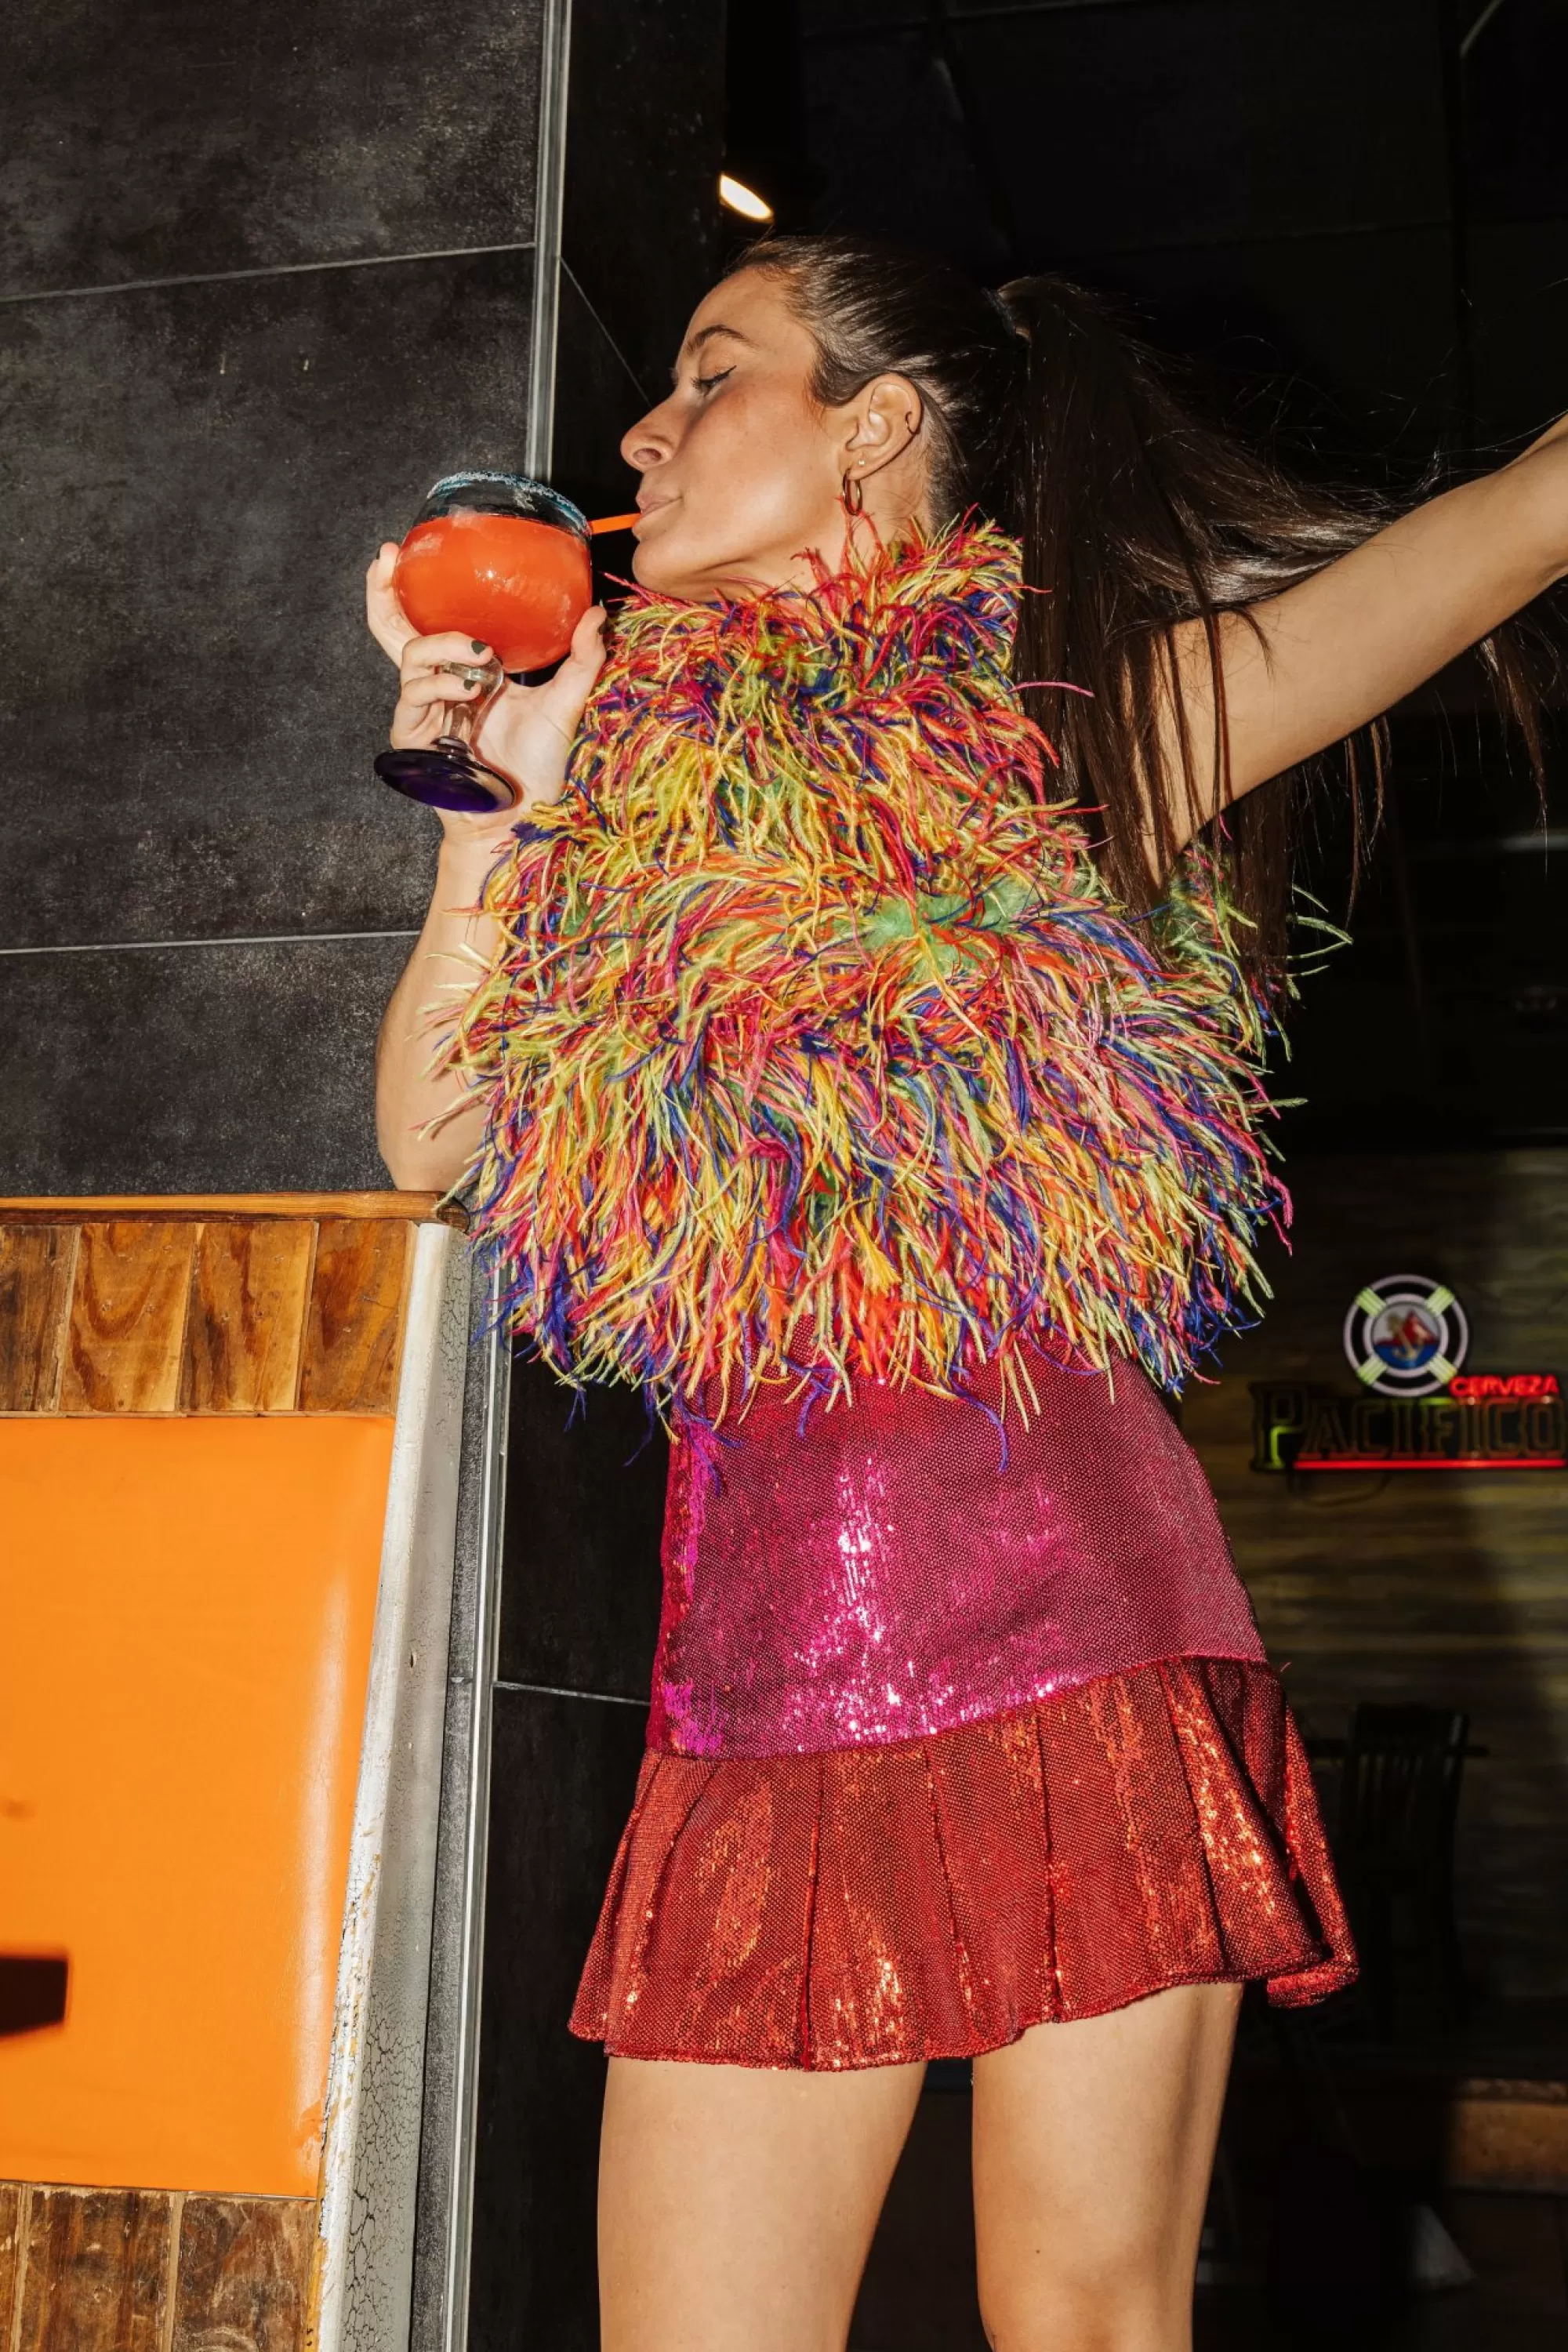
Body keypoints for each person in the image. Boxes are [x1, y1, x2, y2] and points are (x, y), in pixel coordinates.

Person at [370, 238, 1564, 2352]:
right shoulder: (627, 794)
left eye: (711, 373)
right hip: (756, 1687)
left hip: (1074, 1633)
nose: (639, 433)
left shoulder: (1090, 719)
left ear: (880, 423)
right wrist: (493, 800)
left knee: (1083, 2320)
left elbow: (1507, 528)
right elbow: (433, 1147)